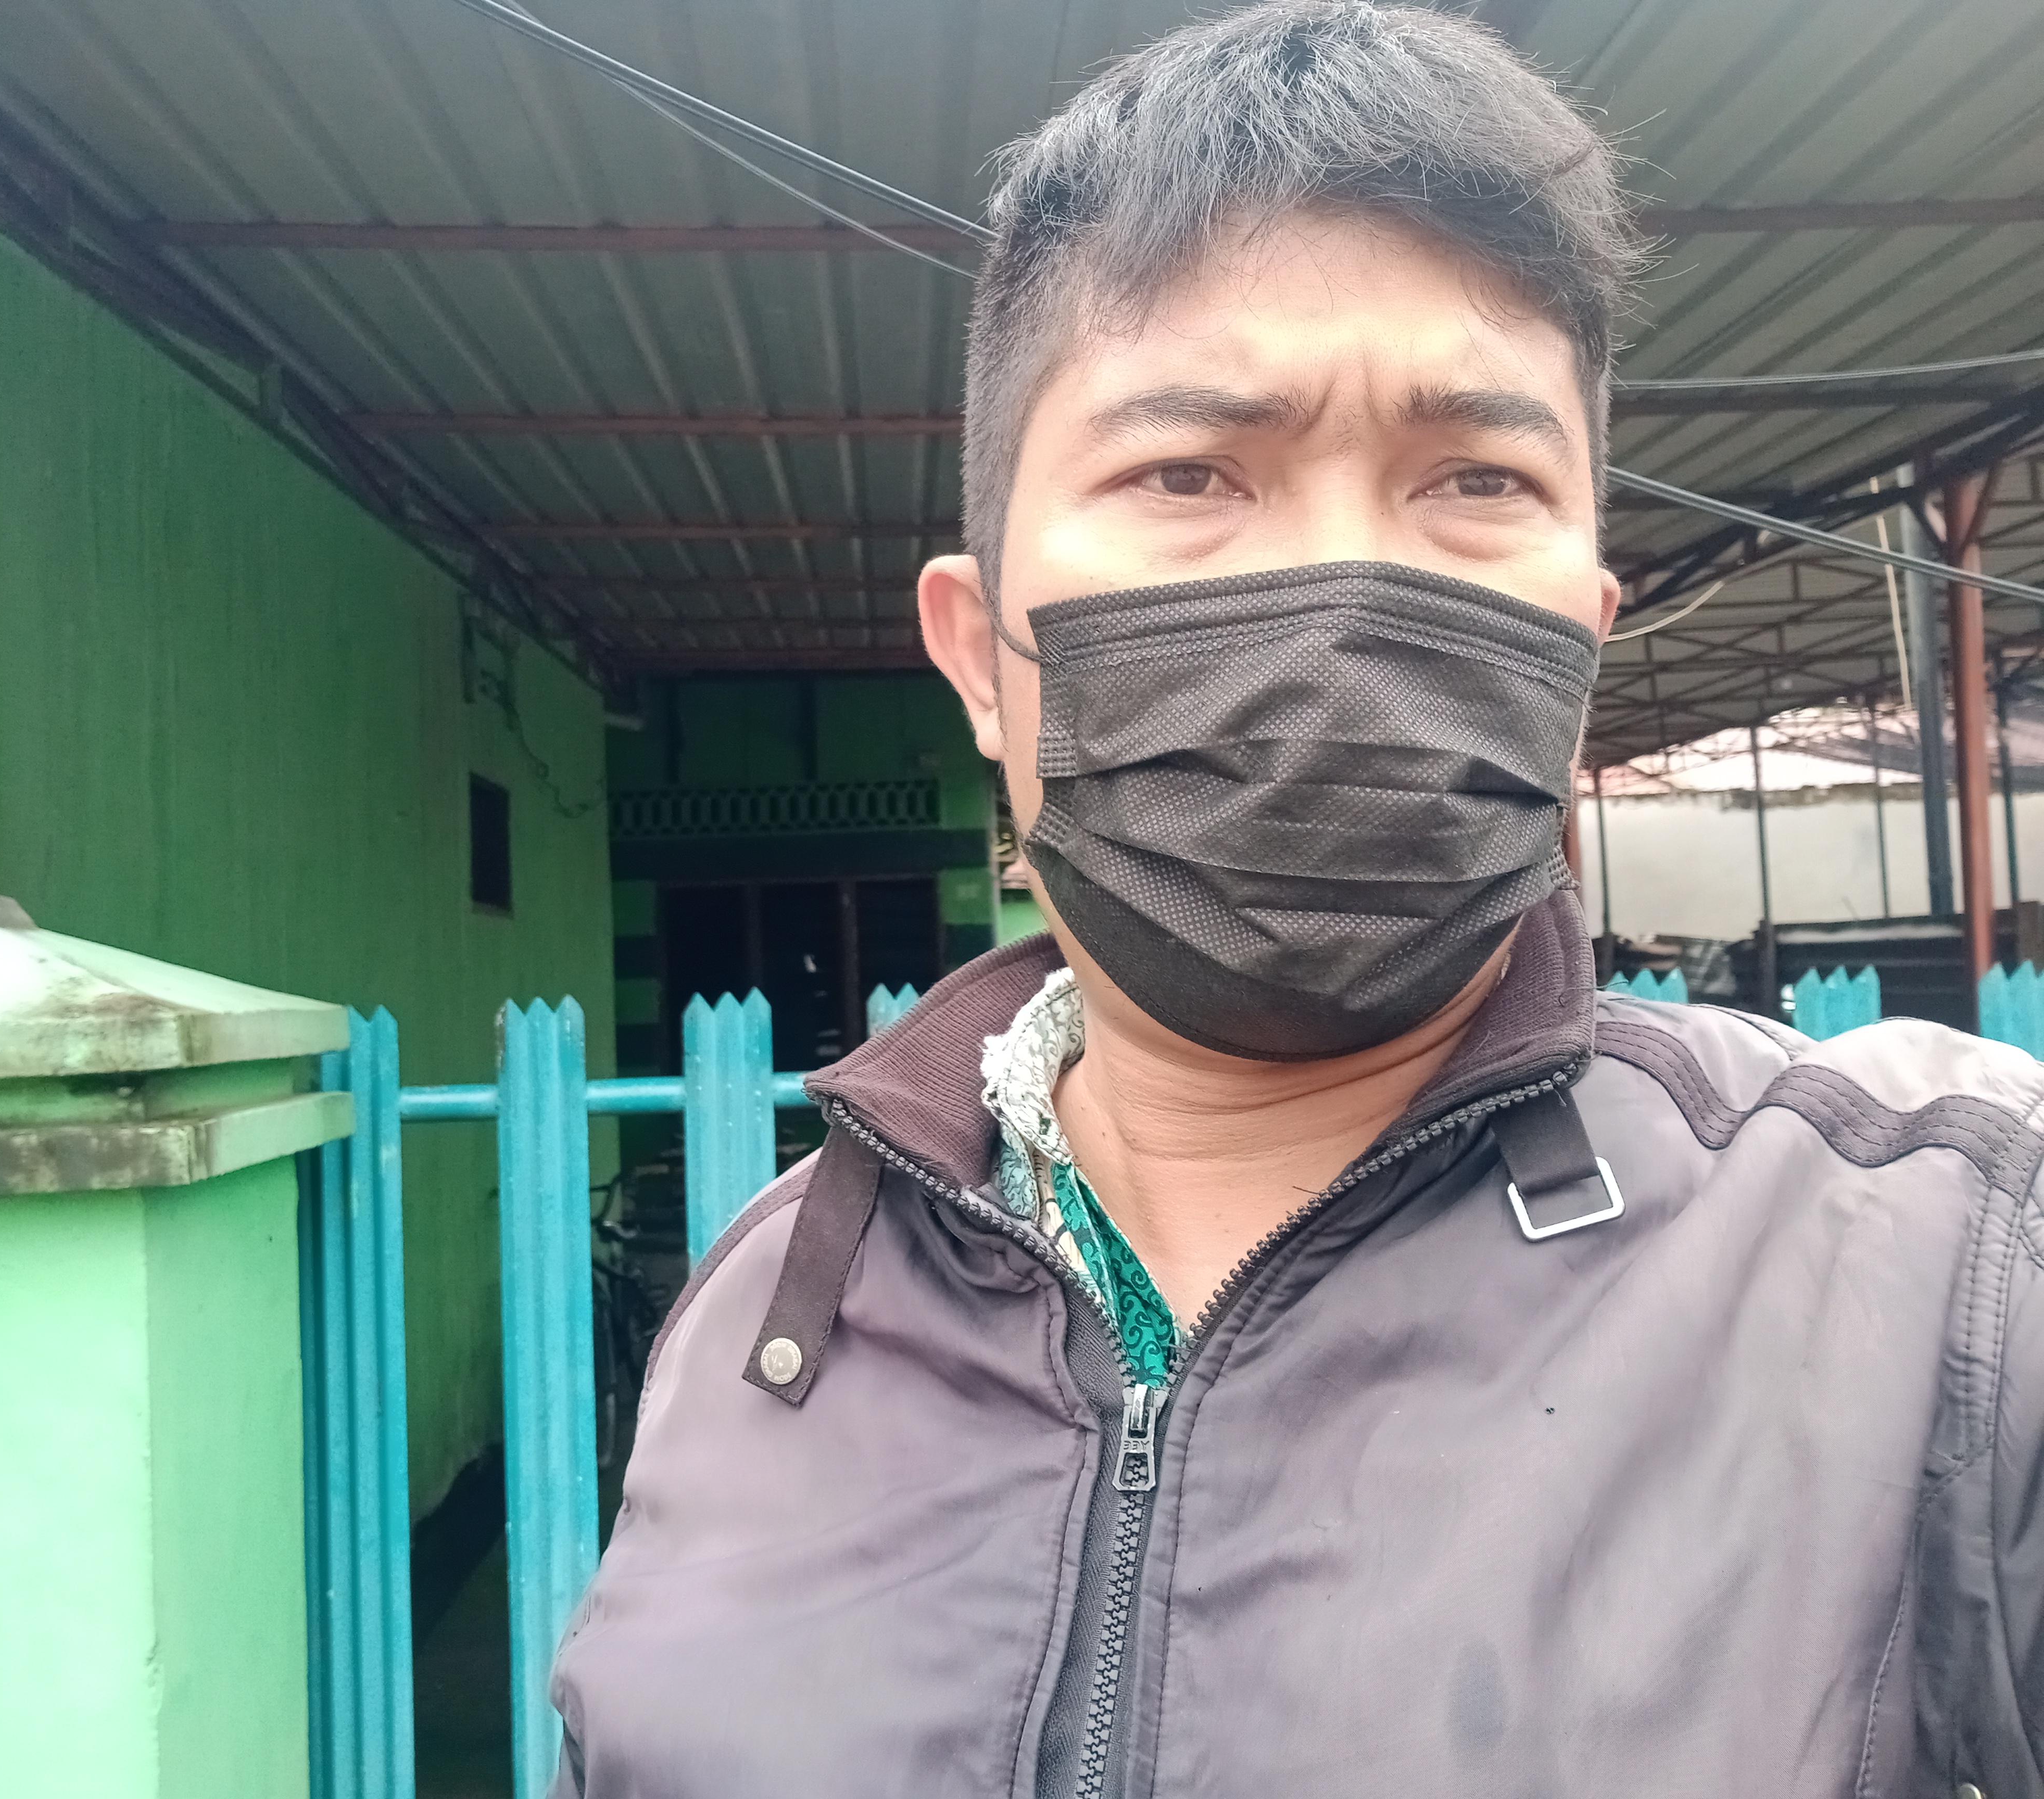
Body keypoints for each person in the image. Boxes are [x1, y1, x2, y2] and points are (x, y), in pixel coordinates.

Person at [551, 6, 2044, 1793]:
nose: (1343, 593)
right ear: (979, 656)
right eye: (1189, 472)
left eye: (1476, 479)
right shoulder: (773, 1316)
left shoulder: (1948, 1266)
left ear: (1583, 638)